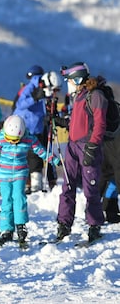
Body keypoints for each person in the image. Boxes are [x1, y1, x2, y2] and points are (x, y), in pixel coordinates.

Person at [0, 115, 59, 245]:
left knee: (19, 198)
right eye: (10, 139)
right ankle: (5, 229)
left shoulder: (28, 139)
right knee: (7, 200)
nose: (13, 142)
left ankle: (20, 225)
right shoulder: (0, 138)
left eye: (16, 140)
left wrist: (53, 159)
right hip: (4, 175)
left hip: (20, 173)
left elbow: (40, 151)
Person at [53, 62, 106, 243]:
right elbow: (79, 122)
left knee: (90, 188)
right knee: (67, 186)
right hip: (73, 146)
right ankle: (64, 224)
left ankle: (94, 225)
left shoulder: (96, 95)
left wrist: (93, 145)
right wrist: (63, 122)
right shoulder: (78, 96)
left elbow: (99, 123)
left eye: (69, 80)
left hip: (88, 146)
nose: (67, 84)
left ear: (77, 79)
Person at [13, 65, 50, 194]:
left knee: (35, 157)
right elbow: (21, 104)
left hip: (36, 127)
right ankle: (29, 185)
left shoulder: (42, 89)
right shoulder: (30, 89)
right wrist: (34, 98)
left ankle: (34, 185)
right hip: (28, 128)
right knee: (29, 156)